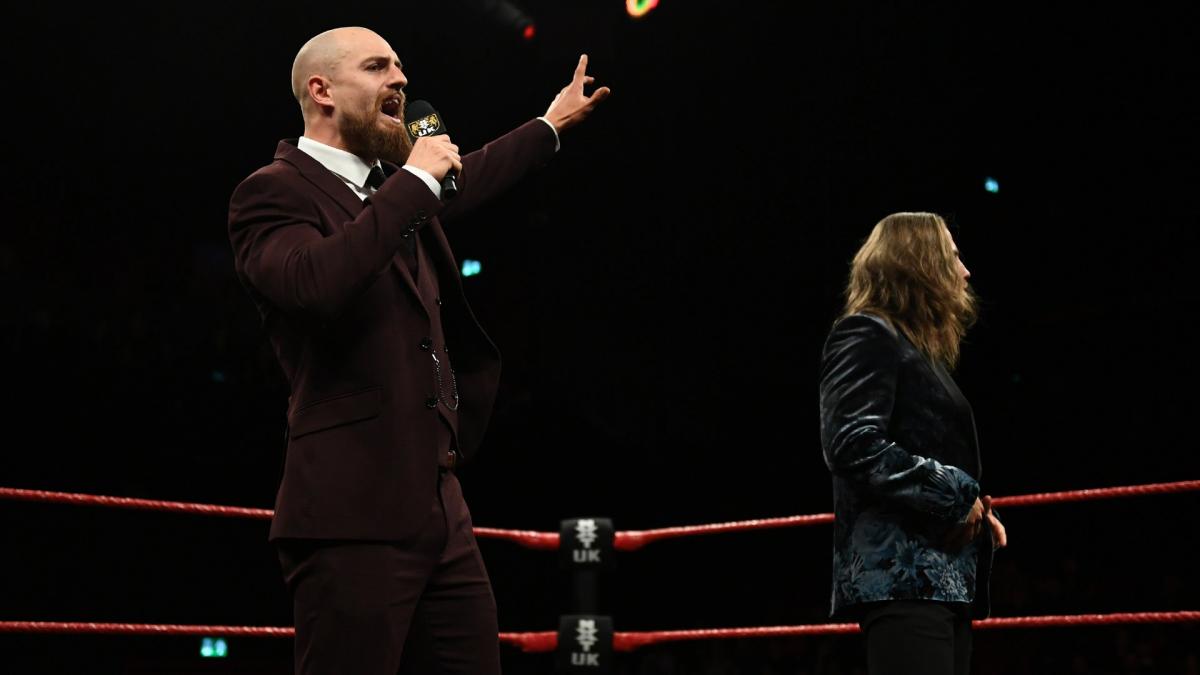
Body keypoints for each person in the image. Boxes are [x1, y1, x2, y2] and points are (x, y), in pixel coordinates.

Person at [227, 26, 609, 675]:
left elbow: (474, 174)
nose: (401, 81)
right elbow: (314, 283)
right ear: (321, 90)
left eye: (401, 68)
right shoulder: (272, 191)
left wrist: (549, 124)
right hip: (349, 511)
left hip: (439, 505)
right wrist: (412, 183)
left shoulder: (399, 190)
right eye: (378, 67)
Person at [818, 212, 1007, 675]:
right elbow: (851, 442)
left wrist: (976, 508)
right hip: (904, 578)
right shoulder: (866, 332)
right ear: (923, 264)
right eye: (955, 257)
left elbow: (925, 449)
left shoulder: (913, 348)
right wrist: (956, 494)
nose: (965, 271)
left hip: (939, 579)